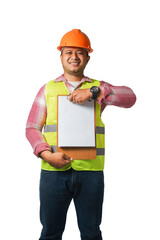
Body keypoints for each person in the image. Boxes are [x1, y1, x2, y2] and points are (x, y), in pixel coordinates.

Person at [26, 29, 136, 240]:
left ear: (87, 57)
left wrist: (97, 92)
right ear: (61, 56)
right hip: (53, 172)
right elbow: (31, 127)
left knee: (91, 234)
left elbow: (130, 97)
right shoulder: (47, 89)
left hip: (91, 173)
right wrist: (47, 155)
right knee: (50, 233)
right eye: (69, 52)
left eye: (80, 52)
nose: (74, 57)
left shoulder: (97, 88)